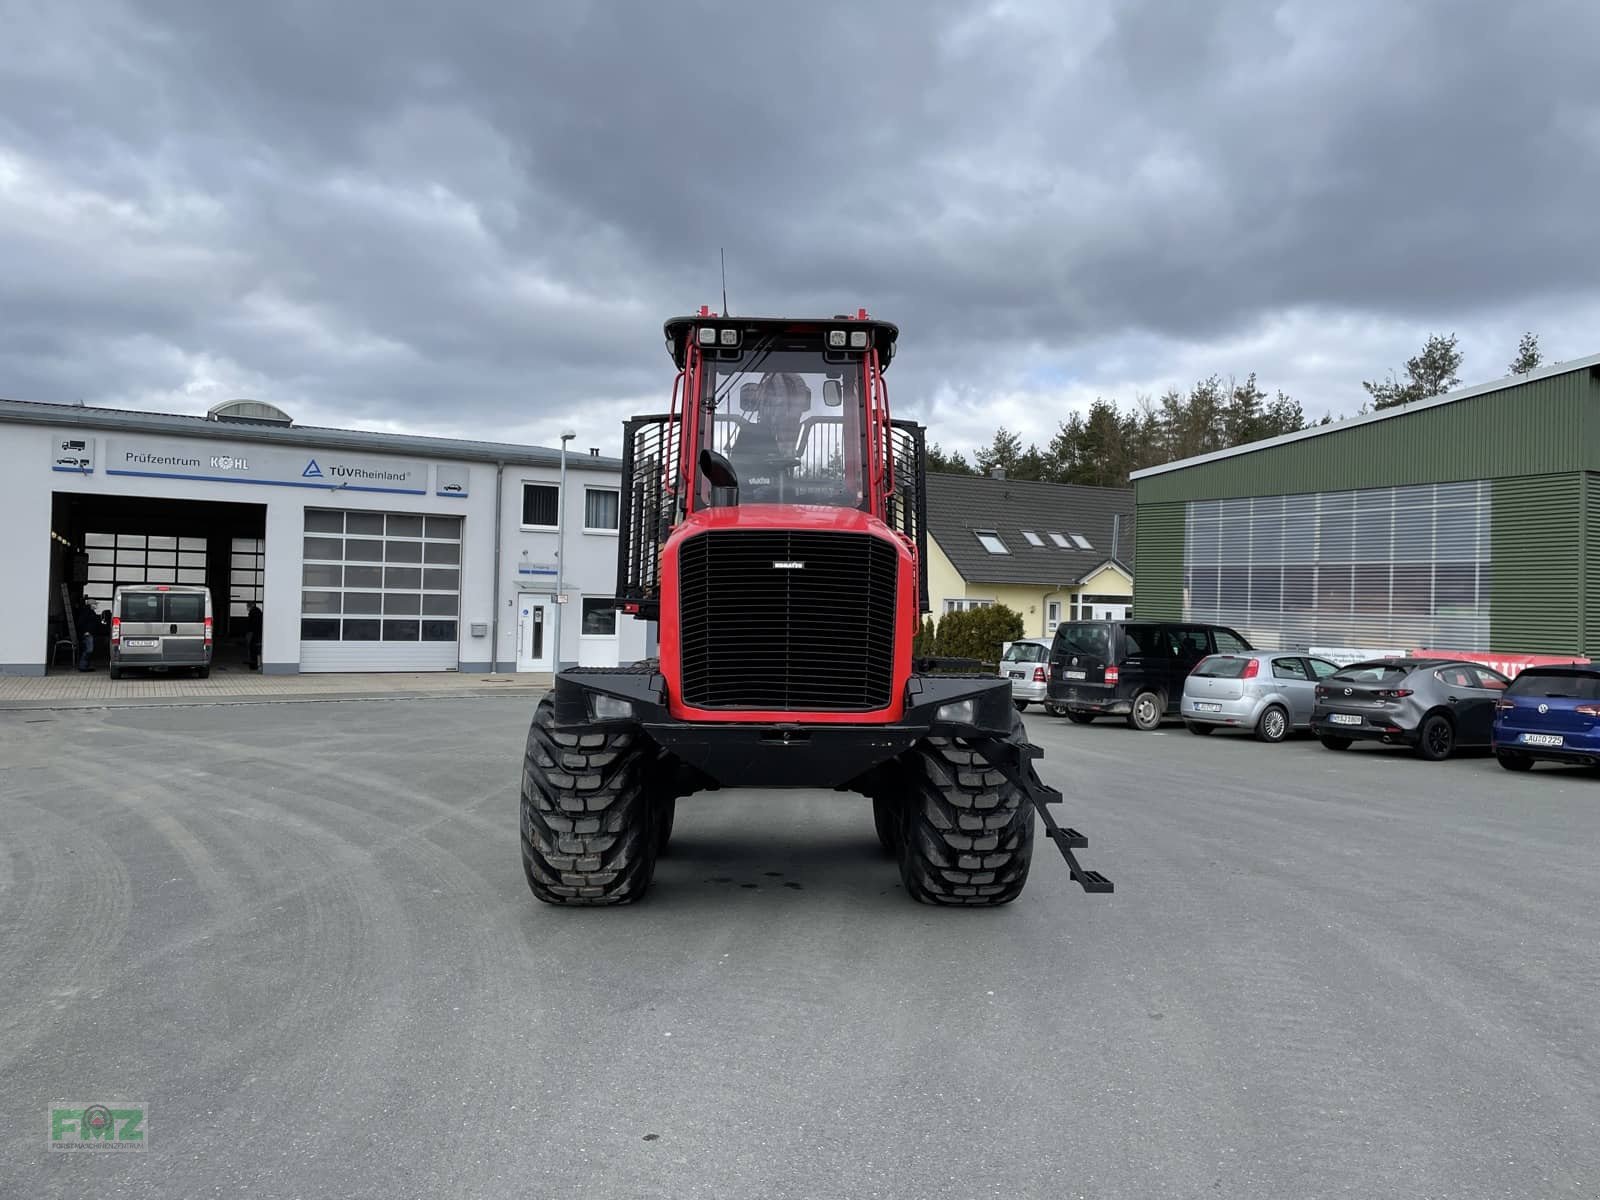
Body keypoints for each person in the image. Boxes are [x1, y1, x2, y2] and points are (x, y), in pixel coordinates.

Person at [74, 595, 98, 672]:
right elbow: (81, 623)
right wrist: (85, 632)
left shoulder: (91, 612)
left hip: (90, 633)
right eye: (95, 604)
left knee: (88, 649)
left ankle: (86, 666)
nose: (96, 605)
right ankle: (82, 666)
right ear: (90, 605)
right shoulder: (86, 612)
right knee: (89, 650)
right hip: (87, 634)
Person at [247, 603, 263, 670]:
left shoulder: (252, 612)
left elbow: (250, 623)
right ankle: (258, 665)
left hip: (254, 633)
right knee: (258, 650)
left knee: (253, 649)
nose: (247, 608)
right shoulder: (259, 611)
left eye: (247, 606)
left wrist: (249, 633)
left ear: (251, 606)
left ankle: (254, 665)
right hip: (259, 632)